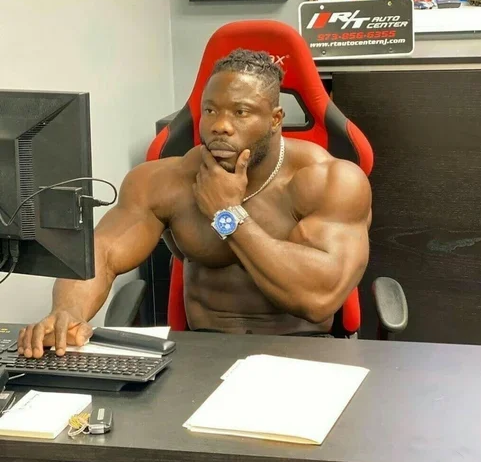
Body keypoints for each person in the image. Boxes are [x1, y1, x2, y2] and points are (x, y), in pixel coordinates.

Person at [18, 48, 372, 358]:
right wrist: (68, 311)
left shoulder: (330, 181)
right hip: (203, 353)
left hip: (304, 352)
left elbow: (318, 299)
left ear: (276, 120)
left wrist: (226, 214)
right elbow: (103, 252)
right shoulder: (165, 181)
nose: (220, 126)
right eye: (211, 110)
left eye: (240, 112)